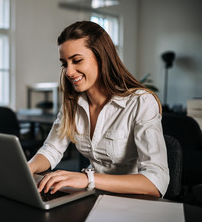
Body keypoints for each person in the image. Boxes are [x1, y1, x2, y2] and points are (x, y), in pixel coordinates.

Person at [28, 21, 169, 198]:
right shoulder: (73, 103)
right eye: (64, 64)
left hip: (133, 199)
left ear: (102, 57)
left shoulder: (141, 102)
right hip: (95, 195)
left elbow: (156, 181)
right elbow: (51, 149)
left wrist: (88, 179)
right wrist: (26, 168)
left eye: (77, 60)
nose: (69, 72)